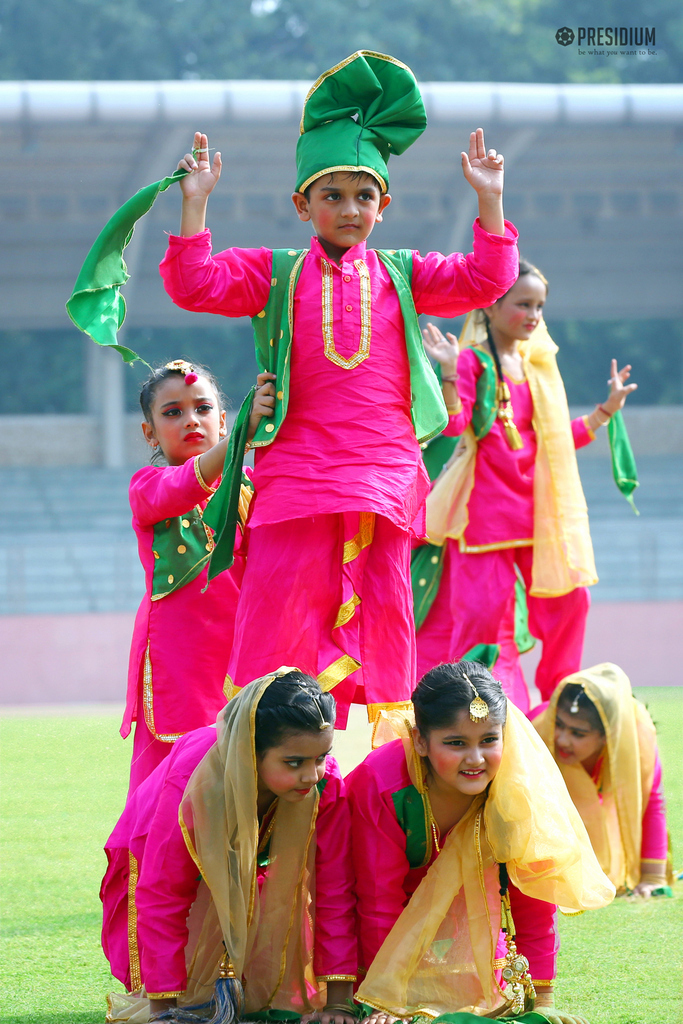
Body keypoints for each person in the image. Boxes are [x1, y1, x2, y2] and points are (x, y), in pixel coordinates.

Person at [158, 50, 519, 728]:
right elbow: (193, 283)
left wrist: (489, 198)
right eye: (332, 195)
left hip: (382, 473)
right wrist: (195, 203)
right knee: (275, 613)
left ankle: (378, 761)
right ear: (302, 204)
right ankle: (265, 746)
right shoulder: (275, 272)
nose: (349, 209)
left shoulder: (404, 274)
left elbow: (484, 280)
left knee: (384, 615)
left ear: (384, 205)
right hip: (293, 474)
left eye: (364, 196)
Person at [346, 660, 614, 1024]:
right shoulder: (380, 784)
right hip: (360, 933)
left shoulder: (514, 785)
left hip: (467, 944)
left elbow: (531, 894)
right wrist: (385, 999)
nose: (475, 759)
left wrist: (544, 1000)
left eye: (489, 740)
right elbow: (378, 899)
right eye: (456, 743)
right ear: (420, 740)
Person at [420, 260, 637, 700]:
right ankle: (467, 711)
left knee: (571, 602)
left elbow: (551, 442)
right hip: (483, 521)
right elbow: (452, 423)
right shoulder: (472, 363)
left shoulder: (535, 367)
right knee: (479, 625)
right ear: (491, 306)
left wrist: (605, 411)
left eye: (539, 306)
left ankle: (560, 698)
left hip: (536, 517)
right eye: (523, 304)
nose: (534, 315)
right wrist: (446, 371)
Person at [101, 668, 357, 1024]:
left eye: (320, 757)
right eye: (294, 762)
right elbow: (163, 893)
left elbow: (336, 890)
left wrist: (338, 1005)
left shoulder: (325, 783)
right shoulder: (194, 783)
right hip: (153, 852)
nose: (311, 775)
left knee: (261, 996)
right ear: (249, 749)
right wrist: (163, 1013)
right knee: (191, 994)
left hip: (256, 864)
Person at [124, 359, 275, 790]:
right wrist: (244, 434)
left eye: (203, 408)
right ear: (149, 432)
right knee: (175, 788)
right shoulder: (148, 486)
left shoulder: (255, 484)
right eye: (172, 412)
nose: (191, 419)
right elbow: (185, 486)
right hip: (182, 662)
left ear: (223, 420)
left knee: (252, 781)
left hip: (247, 657)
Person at [532, 662, 672, 898]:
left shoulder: (637, 746)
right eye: (559, 724)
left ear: (608, 735)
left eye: (578, 733)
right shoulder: (536, 731)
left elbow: (651, 803)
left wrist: (652, 877)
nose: (562, 740)